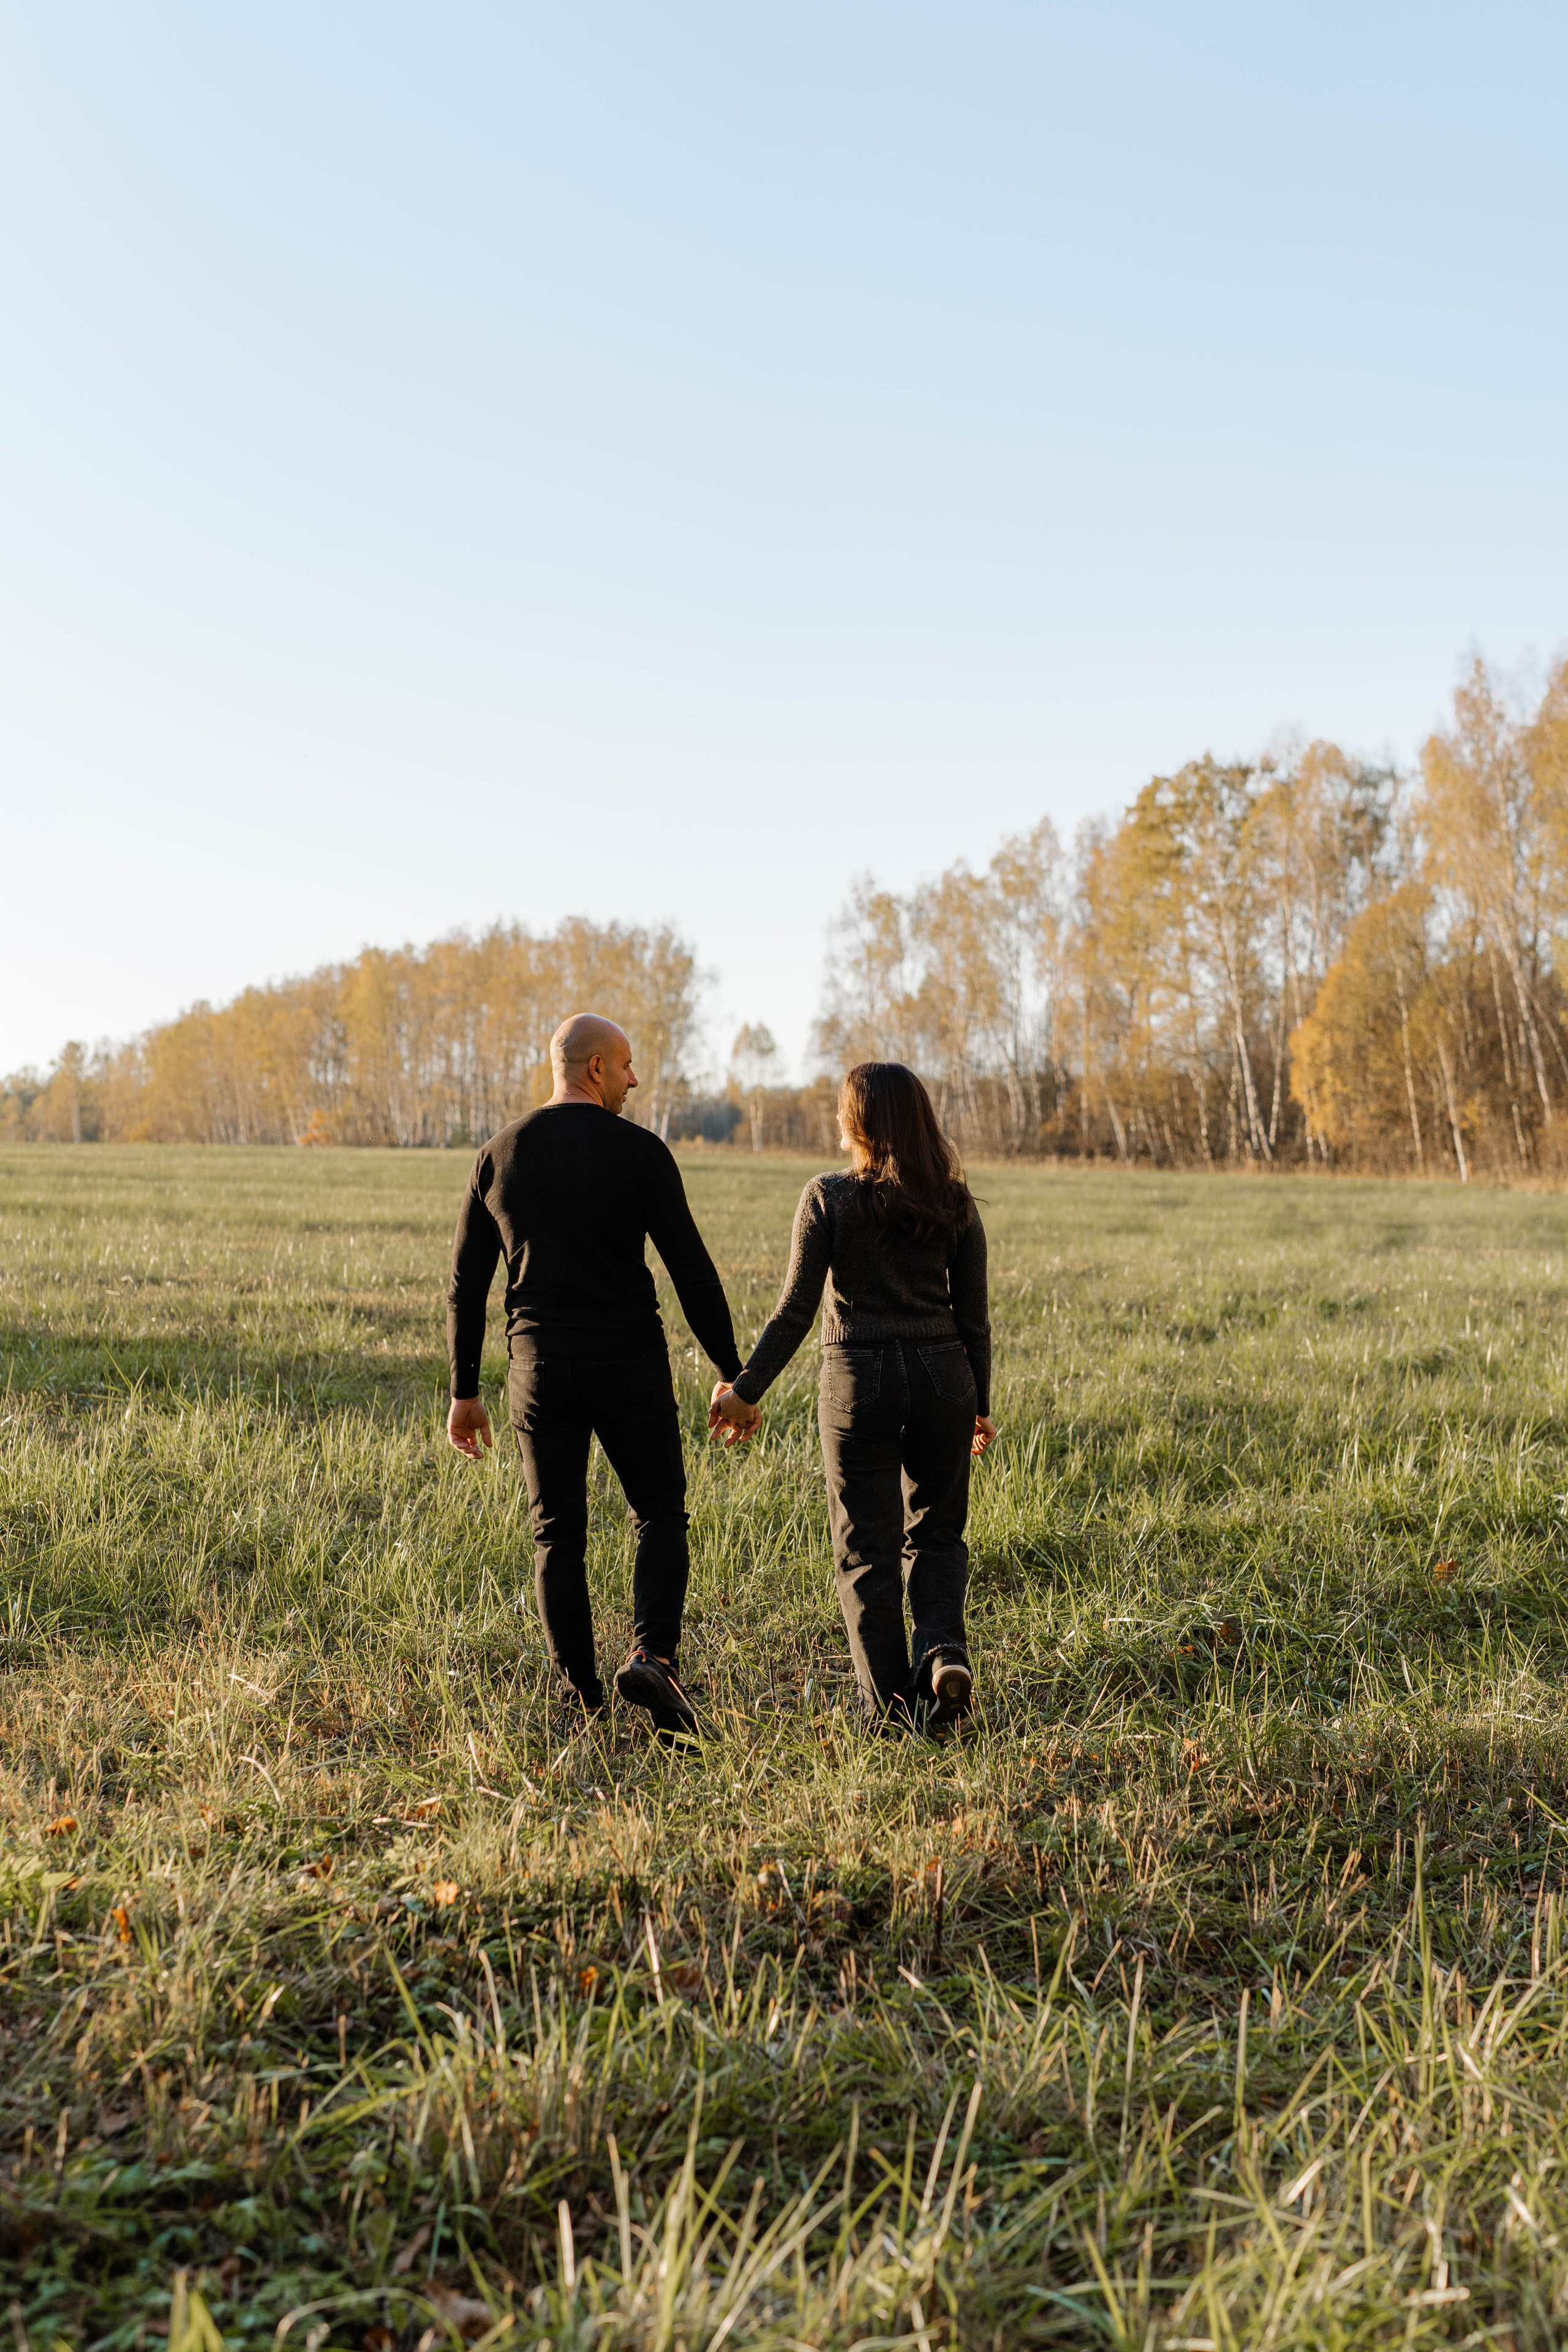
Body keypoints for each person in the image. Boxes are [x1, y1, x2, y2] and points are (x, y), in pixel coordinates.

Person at [445, 1012, 758, 1744]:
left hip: (539, 1368)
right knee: (658, 1514)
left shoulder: (498, 1154)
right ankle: (652, 1655)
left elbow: (465, 1285)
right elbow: (690, 1269)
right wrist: (732, 1374)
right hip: (627, 1364)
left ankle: (579, 1695)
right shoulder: (640, 1152)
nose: (634, 1079)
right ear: (593, 1068)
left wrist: (465, 1392)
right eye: (625, 1066)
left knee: (557, 1534)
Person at [709, 1061, 994, 1732]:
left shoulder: (826, 1196)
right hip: (942, 1375)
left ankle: (891, 1713)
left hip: (856, 1381)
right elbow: (973, 1318)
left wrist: (744, 1391)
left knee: (866, 1550)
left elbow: (793, 1313)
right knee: (937, 1531)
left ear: (858, 1122)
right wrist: (978, 1403)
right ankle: (943, 1653)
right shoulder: (954, 1201)